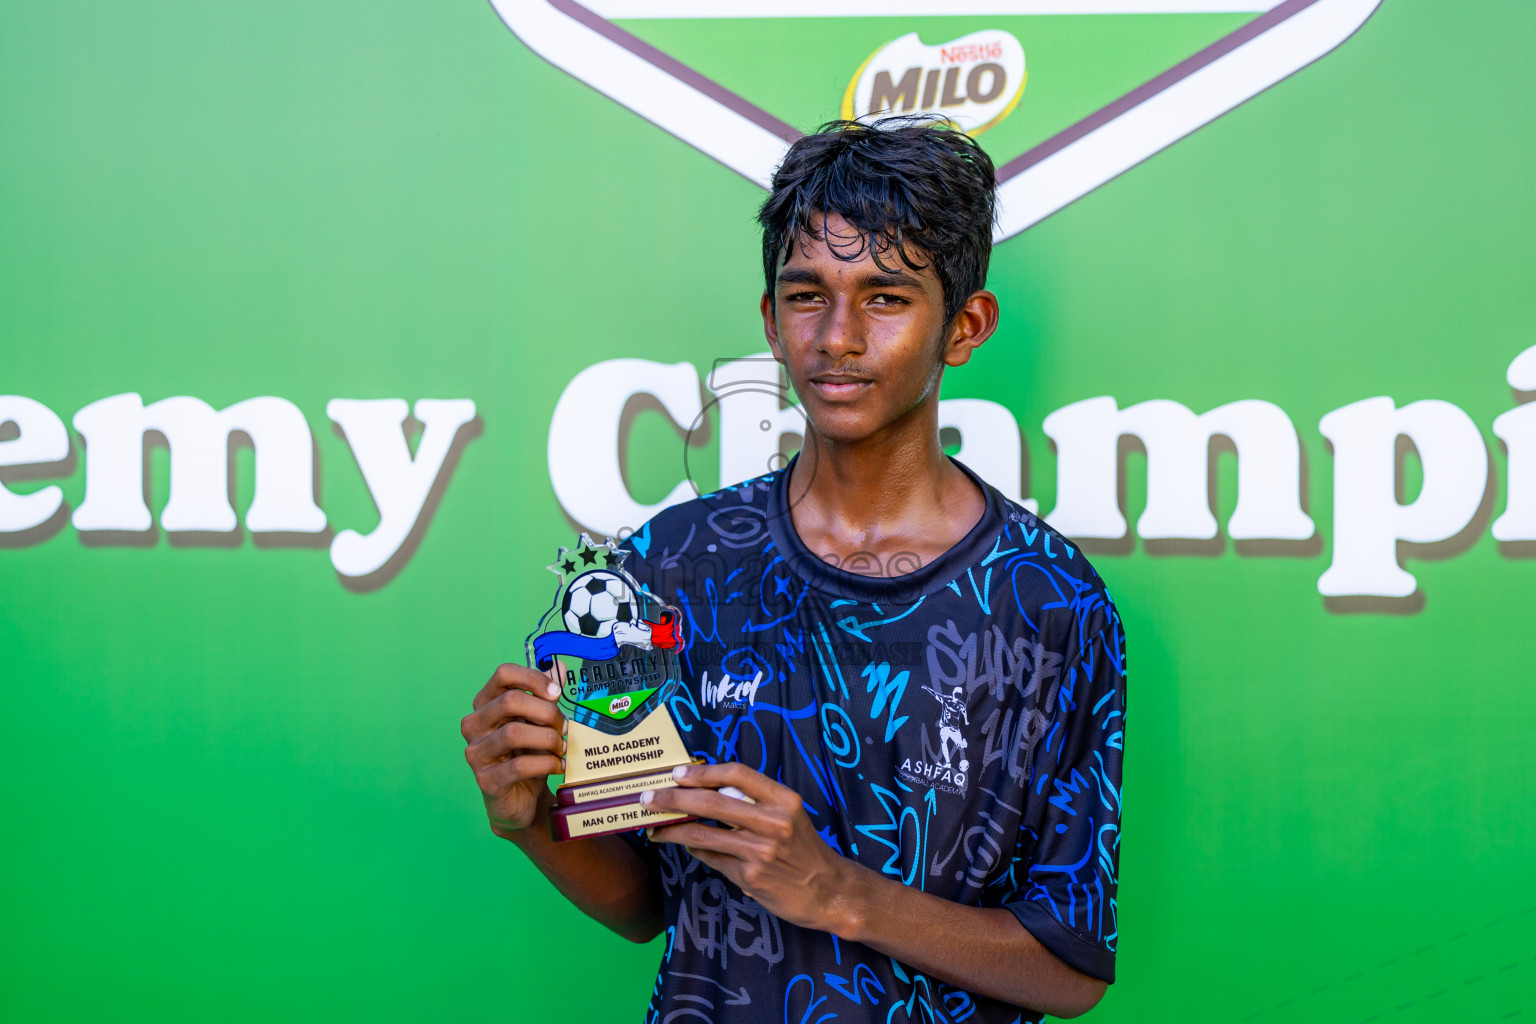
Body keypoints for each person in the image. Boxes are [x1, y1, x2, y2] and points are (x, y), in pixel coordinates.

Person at [461, 116, 1125, 1023]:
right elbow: (648, 903)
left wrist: (838, 891)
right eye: (808, 295)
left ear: (964, 326)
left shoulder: (1050, 602)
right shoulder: (669, 568)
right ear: (772, 321)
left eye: (887, 298)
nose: (839, 336)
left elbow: (1070, 966)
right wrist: (531, 819)